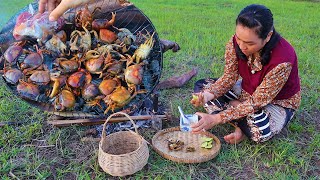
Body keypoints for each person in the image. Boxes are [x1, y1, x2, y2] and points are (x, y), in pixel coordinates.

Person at [190, 4, 301, 144]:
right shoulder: (235, 43)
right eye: (238, 38)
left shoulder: (283, 60)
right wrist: (207, 95)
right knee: (202, 86)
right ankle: (241, 119)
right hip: (247, 90)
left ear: (268, 36)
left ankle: (239, 120)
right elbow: (229, 77)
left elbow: (257, 102)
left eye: (249, 43)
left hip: (276, 101)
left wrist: (215, 119)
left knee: (259, 131)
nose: (241, 46)